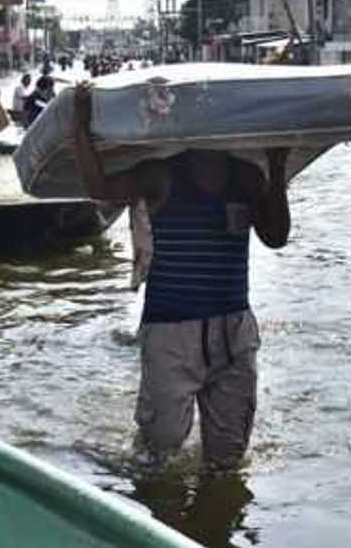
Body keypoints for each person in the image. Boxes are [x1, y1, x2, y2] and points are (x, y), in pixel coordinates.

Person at [71, 82, 291, 470]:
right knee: (159, 452)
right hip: (171, 333)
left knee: (229, 459)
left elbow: (276, 237)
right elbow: (101, 189)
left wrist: (277, 166)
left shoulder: (247, 177)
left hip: (234, 331)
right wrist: (81, 123)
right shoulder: (161, 174)